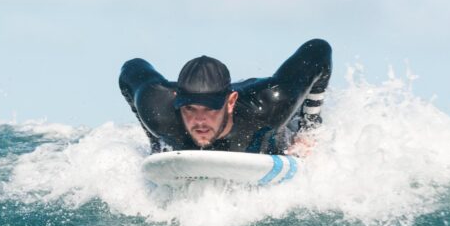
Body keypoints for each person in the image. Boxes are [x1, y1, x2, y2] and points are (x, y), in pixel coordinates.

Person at [119, 39, 332, 155]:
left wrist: (308, 129)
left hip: (265, 120)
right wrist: (155, 143)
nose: (199, 121)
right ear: (177, 100)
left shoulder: (271, 104)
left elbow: (319, 50)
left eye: (210, 109)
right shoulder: (158, 110)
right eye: (190, 109)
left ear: (230, 103)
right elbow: (130, 70)